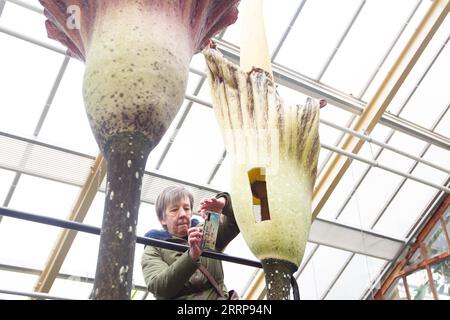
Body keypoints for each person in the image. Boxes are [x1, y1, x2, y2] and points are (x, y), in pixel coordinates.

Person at [141, 185, 240, 300]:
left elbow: (238, 222)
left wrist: (224, 203)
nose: (183, 214)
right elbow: (159, 287)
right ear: (162, 219)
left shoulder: (207, 231)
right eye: (174, 209)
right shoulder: (154, 248)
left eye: (187, 208)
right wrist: (191, 257)